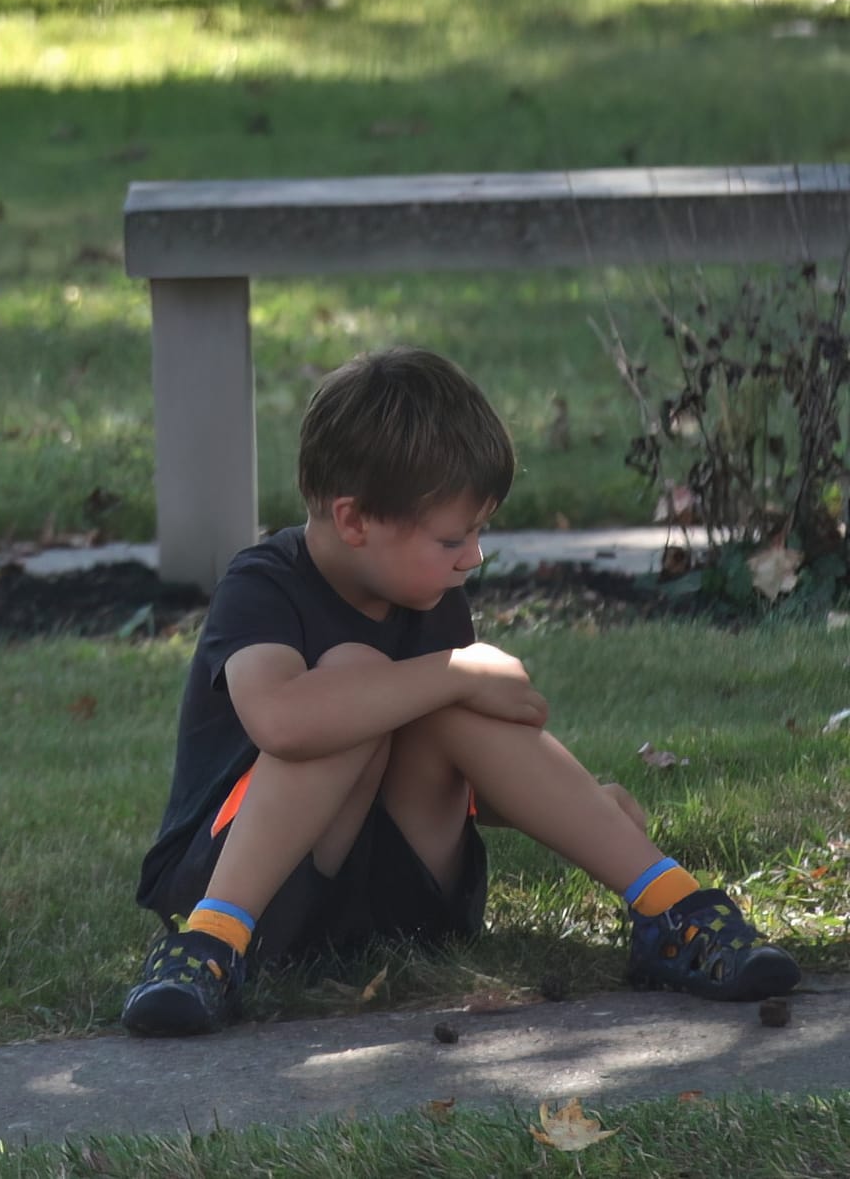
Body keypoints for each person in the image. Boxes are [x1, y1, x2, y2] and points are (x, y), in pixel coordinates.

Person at [121, 346, 800, 1035]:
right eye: (453, 538)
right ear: (354, 520)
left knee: (435, 704)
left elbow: (458, 770)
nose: (473, 556)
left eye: (478, 532)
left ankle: (672, 907)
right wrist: (458, 671)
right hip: (247, 891)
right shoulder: (263, 585)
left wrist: (580, 804)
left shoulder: (433, 597)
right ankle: (209, 945)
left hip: (400, 904)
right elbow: (282, 722)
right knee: (355, 674)